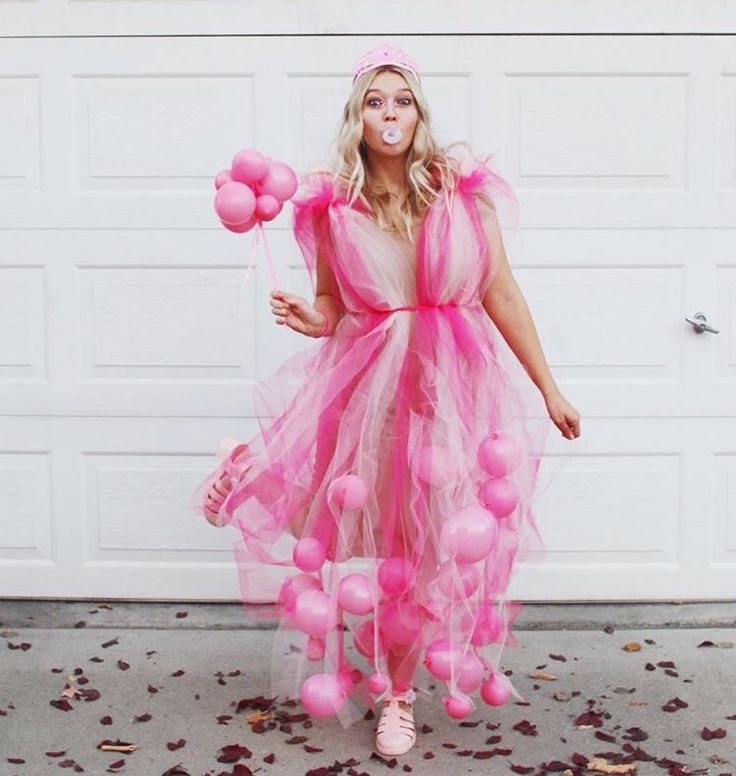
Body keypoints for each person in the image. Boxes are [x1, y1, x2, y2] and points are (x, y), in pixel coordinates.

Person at [193, 42, 580, 757]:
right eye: (375, 101)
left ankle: (397, 698)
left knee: (426, 544)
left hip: (454, 389)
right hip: (374, 379)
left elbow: (500, 292)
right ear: (358, 117)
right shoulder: (333, 207)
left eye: (401, 99)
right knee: (345, 523)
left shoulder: (464, 196)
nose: (389, 112)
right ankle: (252, 469)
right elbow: (332, 306)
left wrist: (547, 386)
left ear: (419, 113)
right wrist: (313, 319)